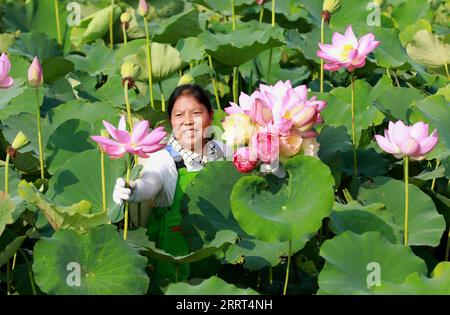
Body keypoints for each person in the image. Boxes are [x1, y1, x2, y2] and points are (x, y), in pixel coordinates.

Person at [112, 84, 231, 288]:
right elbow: (150, 182)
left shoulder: (223, 152)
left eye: (196, 113)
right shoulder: (164, 158)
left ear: (210, 116)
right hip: (174, 260)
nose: (187, 121)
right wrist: (132, 190)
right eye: (179, 115)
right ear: (171, 122)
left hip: (216, 249)